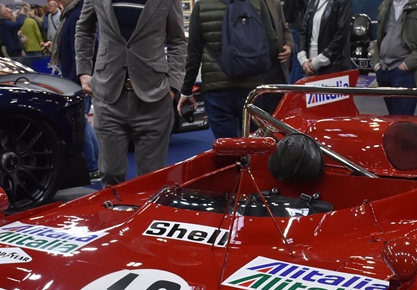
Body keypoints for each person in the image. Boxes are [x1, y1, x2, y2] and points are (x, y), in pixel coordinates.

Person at [76, 0, 186, 184]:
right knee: (110, 173)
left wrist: (173, 85)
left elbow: (177, 41)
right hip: (108, 94)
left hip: (154, 97)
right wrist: (83, 71)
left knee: (151, 179)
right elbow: (84, 29)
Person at [178, 0, 280, 139]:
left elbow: (193, 56)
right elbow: (273, 46)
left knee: (226, 146)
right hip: (252, 88)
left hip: (216, 88)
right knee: (254, 143)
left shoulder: (202, 6)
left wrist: (186, 91)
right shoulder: (257, 3)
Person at [46, 0, 100, 181]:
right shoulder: (72, 13)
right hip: (76, 78)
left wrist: (77, 79)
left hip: (77, 80)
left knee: (79, 124)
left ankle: (92, 167)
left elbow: (84, 50)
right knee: (82, 123)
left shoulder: (78, 14)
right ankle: (95, 164)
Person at [373, 0, 417, 115]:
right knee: (392, 120)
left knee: (401, 121)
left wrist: (406, 65)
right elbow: (379, 38)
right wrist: (377, 64)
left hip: (407, 72)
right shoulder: (386, 4)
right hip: (384, 70)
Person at [296, 0, 353, 77]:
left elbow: (341, 34)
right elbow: (304, 30)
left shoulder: (343, 1)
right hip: (309, 66)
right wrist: (303, 59)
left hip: (333, 66)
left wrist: (318, 61)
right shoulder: (312, 1)